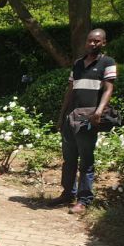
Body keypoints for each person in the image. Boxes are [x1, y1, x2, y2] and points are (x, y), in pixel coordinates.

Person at [49, 29, 116, 215]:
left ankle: (83, 199)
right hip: (71, 118)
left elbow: (108, 89)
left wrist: (99, 111)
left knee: (86, 161)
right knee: (68, 159)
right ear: (86, 42)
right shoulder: (78, 63)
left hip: (88, 119)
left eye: (97, 41)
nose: (93, 44)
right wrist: (62, 116)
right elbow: (70, 91)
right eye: (90, 41)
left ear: (104, 43)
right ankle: (67, 193)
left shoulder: (107, 63)